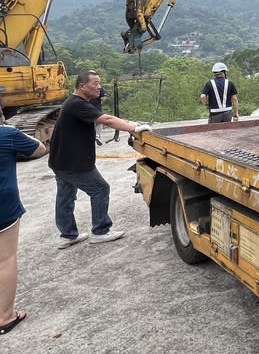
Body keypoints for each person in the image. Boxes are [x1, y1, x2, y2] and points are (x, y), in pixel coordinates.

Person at [48, 70, 151, 249]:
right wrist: (133, 128)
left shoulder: (76, 103)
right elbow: (107, 120)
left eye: (99, 83)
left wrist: (132, 123)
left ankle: (68, 235)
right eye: (95, 83)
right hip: (74, 163)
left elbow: (110, 118)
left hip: (60, 161)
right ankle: (100, 231)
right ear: (82, 86)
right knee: (100, 189)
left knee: (65, 196)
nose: (99, 87)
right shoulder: (77, 104)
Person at [0, 125, 45, 335]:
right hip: (4, 206)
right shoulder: (6, 134)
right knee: (5, 259)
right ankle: (5, 316)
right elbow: (39, 148)